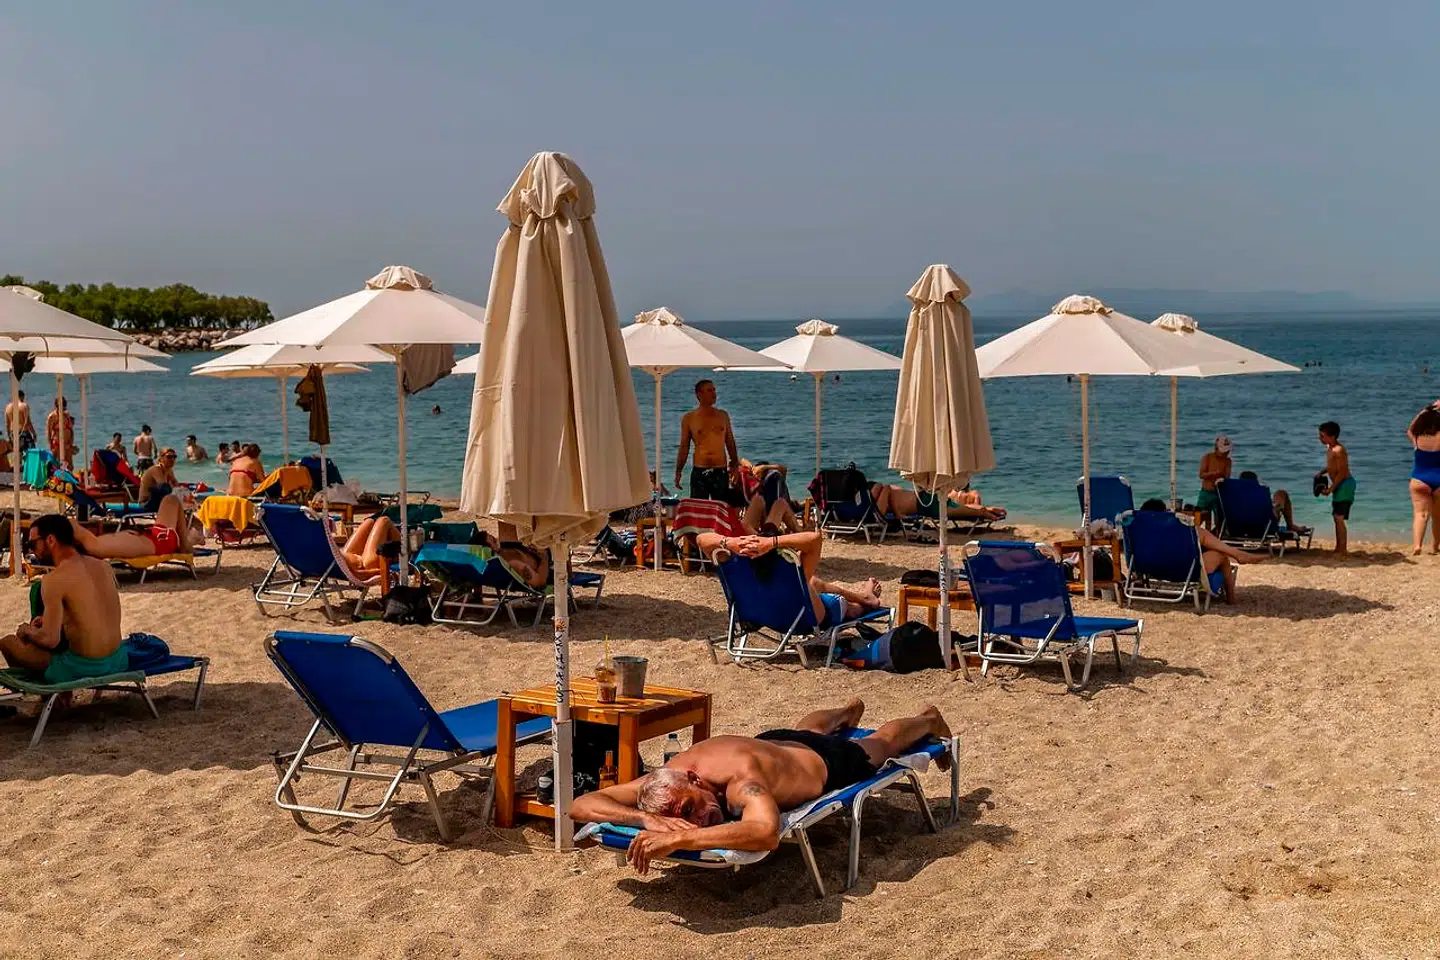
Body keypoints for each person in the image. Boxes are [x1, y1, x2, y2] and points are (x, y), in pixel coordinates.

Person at [570, 698, 952, 872]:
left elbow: (765, 833)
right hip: (773, 741)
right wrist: (646, 821)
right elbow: (582, 804)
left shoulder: (742, 785)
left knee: (879, 745)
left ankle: (928, 719)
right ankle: (846, 711)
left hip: (823, 763)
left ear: (696, 779)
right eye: (683, 818)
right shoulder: (667, 782)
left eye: (690, 809)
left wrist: (681, 839)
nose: (699, 819)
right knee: (806, 730)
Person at [0, 514, 126, 683]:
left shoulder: (54, 580)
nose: (30, 550)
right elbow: (91, 612)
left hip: (84, 667)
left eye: (32, 544)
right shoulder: (103, 566)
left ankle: (47, 692)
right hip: (118, 660)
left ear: (51, 540)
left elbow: (50, 640)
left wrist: (27, 630)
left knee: (8, 643)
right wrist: (51, 620)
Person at [696, 529, 885, 627]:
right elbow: (814, 539)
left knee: (813, 583)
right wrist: (772, 542)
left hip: (760, 616)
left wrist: (730, 542)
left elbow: (701, 539)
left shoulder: (735, 568)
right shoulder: (792, 574)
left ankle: (865, 596)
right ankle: (865, 600)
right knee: (850, 609)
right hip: (803, 619)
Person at [1138, 499, 1267, 602]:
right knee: (1219, 553)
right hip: (1184, 571)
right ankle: (1232, 592)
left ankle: (1238, 554)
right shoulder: (1174, 533)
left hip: (1149, 569)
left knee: (1202, 539)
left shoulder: (1137, 535)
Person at [57, 493, 202, 559]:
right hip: (161, 540)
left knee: (171, 499)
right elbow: (72, 526)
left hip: (154, 535)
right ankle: (188, 542)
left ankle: (191, 538)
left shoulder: (94, 544)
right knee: (171, 499)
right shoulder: (94, 546)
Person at [674, 379, 740, 503]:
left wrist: (735, 465)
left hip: (720, 470)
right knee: (699, 510)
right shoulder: (689, 418)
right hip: (700, 470)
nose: (714, 393)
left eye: (714, 390)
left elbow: (730, 441)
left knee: (721, 509)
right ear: (699, 394)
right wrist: (678, 471)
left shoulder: (723, 415)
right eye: (710, 390)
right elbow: (684, 447)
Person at [870, 482, 1007, 523]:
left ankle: (988, 513)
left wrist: (898, 514)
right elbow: (886, 488)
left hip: (926, 505)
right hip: (925, 499)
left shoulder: (882, 494)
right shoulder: (885, 493)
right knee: (960, 507)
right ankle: (988, 510)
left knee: (961, 509)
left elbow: (884, 489)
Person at [1406, 403, 1440, 555]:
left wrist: (1427, 409)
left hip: (1419, 480)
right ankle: (1434, 546)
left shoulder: (1417, 438)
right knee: (1438, 516)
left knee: (1420, 514)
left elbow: (1410, 429)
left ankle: (1417, 545)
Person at [1316, 421, 1354, 556]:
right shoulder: (1330, 448)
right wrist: (1322, 472)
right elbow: (1333, 466)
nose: (1320, 438)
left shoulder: (1339, 450)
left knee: (1339, 517)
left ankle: (1342, 549)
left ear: (1332, 437)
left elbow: (1342, 472)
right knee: (1336, 517)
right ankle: (1338, 547)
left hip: (1345, 485)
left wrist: (1331, 489)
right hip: (1340, 485)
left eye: (1322, 436)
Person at [1237, 471, 1310, 536]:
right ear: (1256, 482)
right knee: (1281, 493)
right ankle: (1290, 525)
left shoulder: (1232, 497)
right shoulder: (1259, 493)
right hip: (1265, 528)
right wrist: (1275, 507)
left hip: (1238, 529)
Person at [741, 462, 802, 535]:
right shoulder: (760, 494)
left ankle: (800, 533)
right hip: (764, 533)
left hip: (760, 529)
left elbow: (783, 469)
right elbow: (741, 460)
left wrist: (764, 467)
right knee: (780, 503)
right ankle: (800, 533)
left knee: (779, 502)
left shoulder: (764, 489)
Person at [336, 513, 402, 579]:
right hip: (366, 565)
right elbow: (357, 574)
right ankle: (405, 555)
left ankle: (399, 552)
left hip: (348, 555)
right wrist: (382, 572)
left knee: (369, 521)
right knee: (384, 520)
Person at [1196, 435, 1233, 526]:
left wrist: (1222, 479)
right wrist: (1213, 473)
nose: (1225, 453)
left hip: (1218, 493)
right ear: (1216, 448)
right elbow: (1201, 474)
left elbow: (1227, 477)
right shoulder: (1208, 457)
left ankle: (1216, 535)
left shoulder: (1227, 461)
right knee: (1199, 516)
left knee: (1219, 519)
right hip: (1206, 493)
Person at [46, 399, 77, 466]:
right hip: (57, 444)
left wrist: (71, 443)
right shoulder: (52, 417)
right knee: (59, 465)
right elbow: (49, 432)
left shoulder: (67, 414)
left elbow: (71, 429)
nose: (63, 409)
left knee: (70, 466)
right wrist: (51, 446)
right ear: (56, 406)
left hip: (68, 444)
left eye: (64, 407)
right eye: (61, 407)